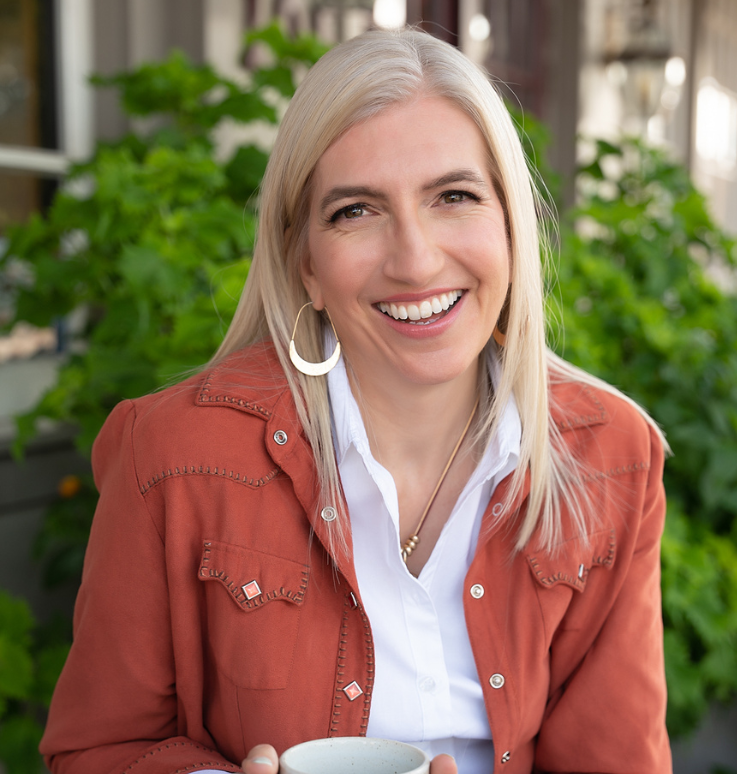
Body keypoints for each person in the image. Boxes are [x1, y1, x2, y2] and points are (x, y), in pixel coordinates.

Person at [40, 26, 671, 774]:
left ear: (511, 224)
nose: (415, 259)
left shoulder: (610, 457)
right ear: (303, 261)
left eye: (454, 196)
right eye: (355, 212)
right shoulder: (174, 455)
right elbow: (98, 748)